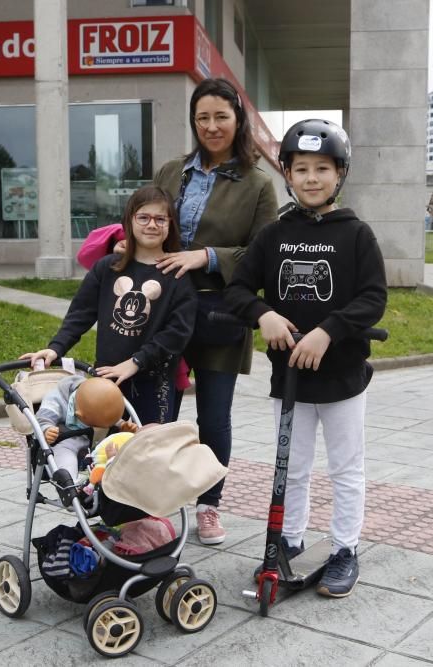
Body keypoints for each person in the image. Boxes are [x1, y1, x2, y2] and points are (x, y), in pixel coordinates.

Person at [224, 119, 387, 598]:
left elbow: (372, 298)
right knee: (290, 468)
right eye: (301, 169)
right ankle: (288, 540)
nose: (311, 178)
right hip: (289, 379)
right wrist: (263, 314)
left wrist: (328, 331)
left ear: (339, 174)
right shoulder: (275, 235)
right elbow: (237, 289)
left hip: (342, 378)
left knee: (344, 467)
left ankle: (343, 549)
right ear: (288, 176)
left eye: (322, 169)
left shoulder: (356, 234)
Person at [151, 77, 278, 545]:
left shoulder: (259, 185)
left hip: (221, 310)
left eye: (221, 116)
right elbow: (150, 223)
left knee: (213, 415)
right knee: (154, 408)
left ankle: (208, 504)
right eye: (202, 117)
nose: (211, 126)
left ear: (238, 119)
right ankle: (153, 504)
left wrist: (204, 257)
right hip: (163, 309)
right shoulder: (171, 173)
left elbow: (263, 255)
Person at [22, 185, 196, 428]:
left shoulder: (177, 275)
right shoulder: (107, 268)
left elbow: (177, 333)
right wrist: (55, 348)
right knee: (105, 451)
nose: (152, 225)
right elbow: (81, 313)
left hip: (155, 383)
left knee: (147, 450)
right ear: (129, 221)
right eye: (143, 217)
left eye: (160, 219)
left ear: (170, 225)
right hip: (107, 378)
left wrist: (135, 362)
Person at [35, 375, 138, 479]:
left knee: (120, 445)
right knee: (65, 457)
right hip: (66, 440)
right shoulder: (56, 400)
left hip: (98, 439)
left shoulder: (101, 397)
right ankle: (70, 484)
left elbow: (107, 417)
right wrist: (47, 429)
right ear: (79, 416)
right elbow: (42, 418)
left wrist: (121, 425)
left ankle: (113, 478)